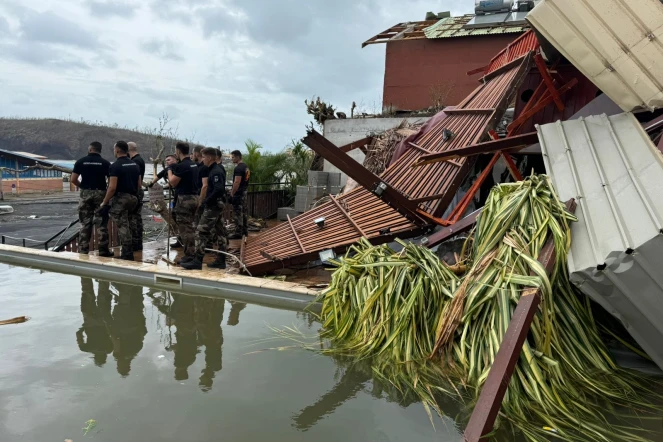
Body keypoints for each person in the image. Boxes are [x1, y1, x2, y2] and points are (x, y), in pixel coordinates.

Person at [182, 147, 228, 270]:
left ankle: (197, 260)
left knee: (201, 231)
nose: (202, 159)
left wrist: (206, 201)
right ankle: (221, 260)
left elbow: (218, 189)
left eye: (203, 157)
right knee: (220, 231)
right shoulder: (213, 169)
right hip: (217, 204)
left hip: (213, 205)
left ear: (209, 158)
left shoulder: (215, 171)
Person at [98, 141, 140, 261]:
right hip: (133, 198)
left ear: (117, 150)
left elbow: (112, 188)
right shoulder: (134, 165)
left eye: (113, 149)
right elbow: (139, 184)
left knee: (123, 226)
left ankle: (127, 254)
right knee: (131, 224)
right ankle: (133, 248)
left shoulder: (115, 166)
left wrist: (104, 202)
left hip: (121, 199)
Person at [71, 141, 112, 257]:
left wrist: (83, 187)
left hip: (85, 193)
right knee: (102, 223)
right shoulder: (105, 163)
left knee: (85, 223)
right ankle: (104, 251)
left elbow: (73, 179)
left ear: (90, 149)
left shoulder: (80, 162)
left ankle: (83, 251)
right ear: (100, 150)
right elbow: (111, 182)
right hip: (101, 193)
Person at [167, 142, 199, 263]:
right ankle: (192, 252)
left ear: (178, 151)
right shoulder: (194, 165)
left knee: (185, 229)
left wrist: (170, 170)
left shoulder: (182, 166)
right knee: (189, 227)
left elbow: (172, 182)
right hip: (194, 197)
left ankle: (189, 255)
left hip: (184, 200)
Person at [128, 142, 145, 252]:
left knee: (133, 218)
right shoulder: (140, 160)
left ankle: (135, 243)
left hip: (135, 191)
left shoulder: (135, 162)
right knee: (137, 218)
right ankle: (138, 242)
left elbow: (136, 179)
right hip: (138, 190)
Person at [229, 149, 249, 239]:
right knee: (244, 212)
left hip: (239, 193)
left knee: (237, 213)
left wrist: (232, 193)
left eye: (233, 157)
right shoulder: (246, 167)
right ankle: (245, 231)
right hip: (244, 191)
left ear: (237, 157)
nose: (232, 159)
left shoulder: (238, 168)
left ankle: (238, 232)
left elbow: (237, 182)